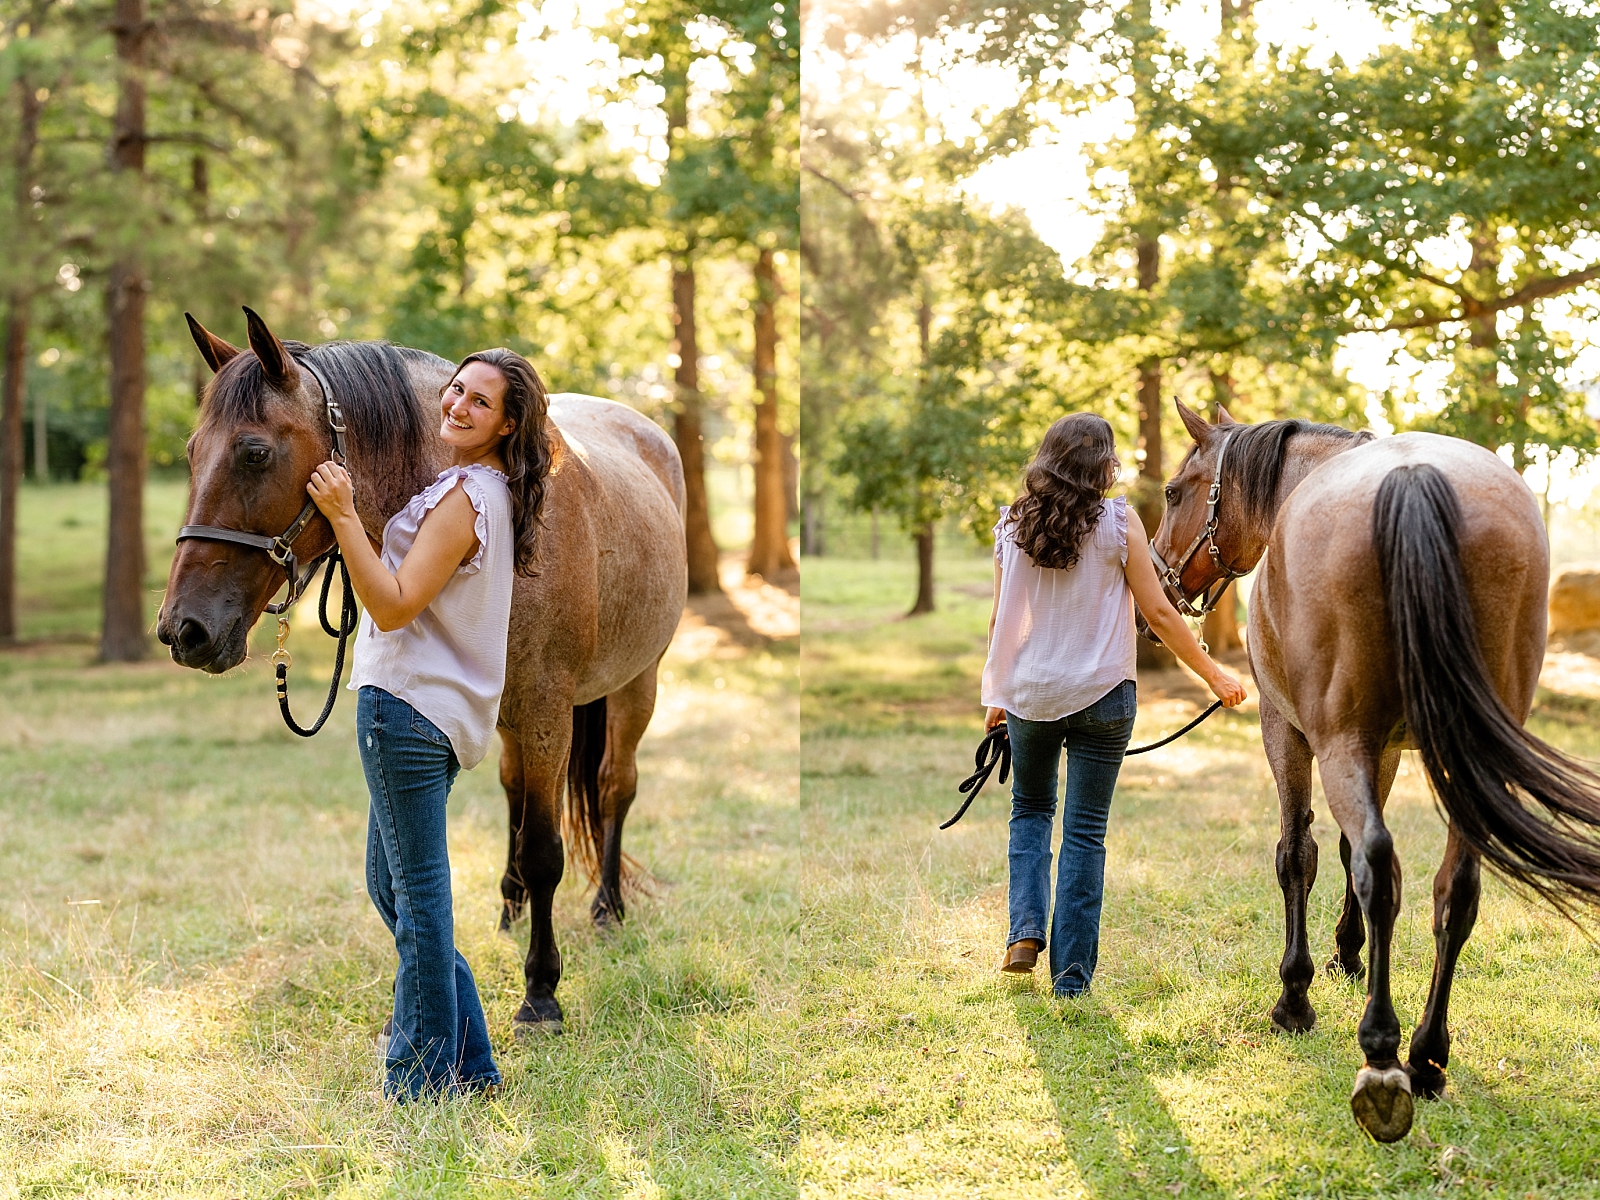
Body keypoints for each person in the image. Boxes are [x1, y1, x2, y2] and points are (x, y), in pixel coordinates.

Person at [307, 347, 552, 1098]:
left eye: (481, 401)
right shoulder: (475, 489)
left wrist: (344, 515)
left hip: (407, 709)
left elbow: (391, 604)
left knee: (416, 895)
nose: (457, 405)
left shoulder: (468, 498)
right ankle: (472, 1065)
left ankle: (420, 1078)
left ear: (508, 424)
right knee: (393, 888)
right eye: (457, 389)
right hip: (422, 712)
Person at [981, 412, 1247, 998]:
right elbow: (1158, 614)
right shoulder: (1118, 522)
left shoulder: (1011, 528)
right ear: (1104, 464)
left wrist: (996, 693)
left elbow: (1003, 620)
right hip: (1103, 695)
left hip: (1030, 695)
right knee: (1084, 832)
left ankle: (1024, 932)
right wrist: (1214, 674)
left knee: (1029, 811)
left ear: (1047, 460)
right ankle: (1072, 978)